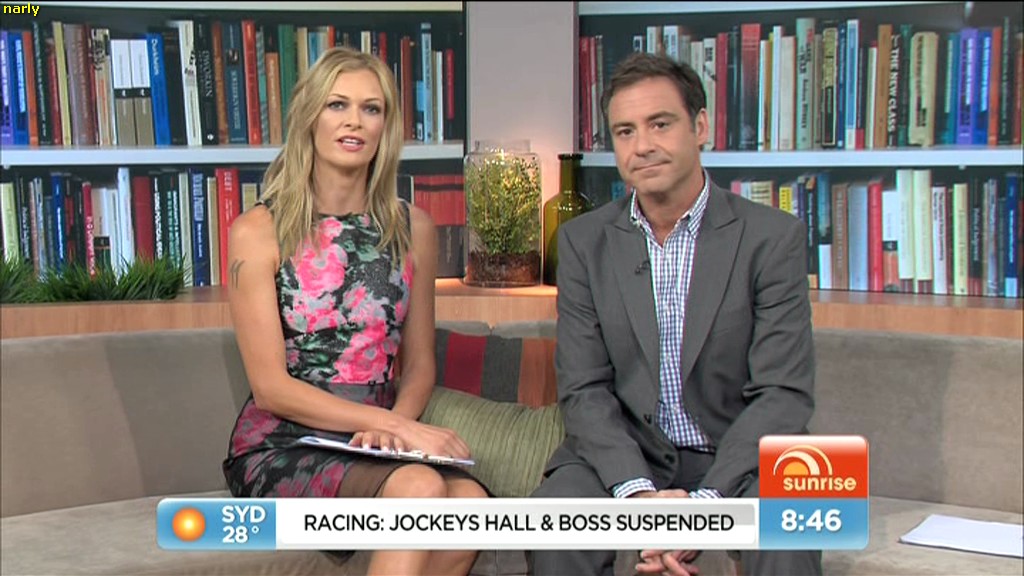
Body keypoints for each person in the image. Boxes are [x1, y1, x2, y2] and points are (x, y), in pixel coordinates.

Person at [528, 52, 822, 576]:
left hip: (739, 457)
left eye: (660, 124)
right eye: (625, 132)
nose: (642, 145)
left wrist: (704, 508)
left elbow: (782, 394)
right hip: (625, 454)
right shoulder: (583, 243)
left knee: (790, 530)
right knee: (554, 526)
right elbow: (584, 389)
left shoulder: (772, 238)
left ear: (700, 126)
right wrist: (639, 496)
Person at [222, 46, 488, 576]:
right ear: (310, 117)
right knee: (419, 487)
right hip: (284, 441)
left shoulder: (414, 228)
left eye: (372, 108)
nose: (355, 121)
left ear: (385, 127)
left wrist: (395, 429)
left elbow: (419, 363)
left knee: (472, 507)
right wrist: (393, 428)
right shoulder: (257, 231)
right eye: (337, 105)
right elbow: (271, 388)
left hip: (375, 439)